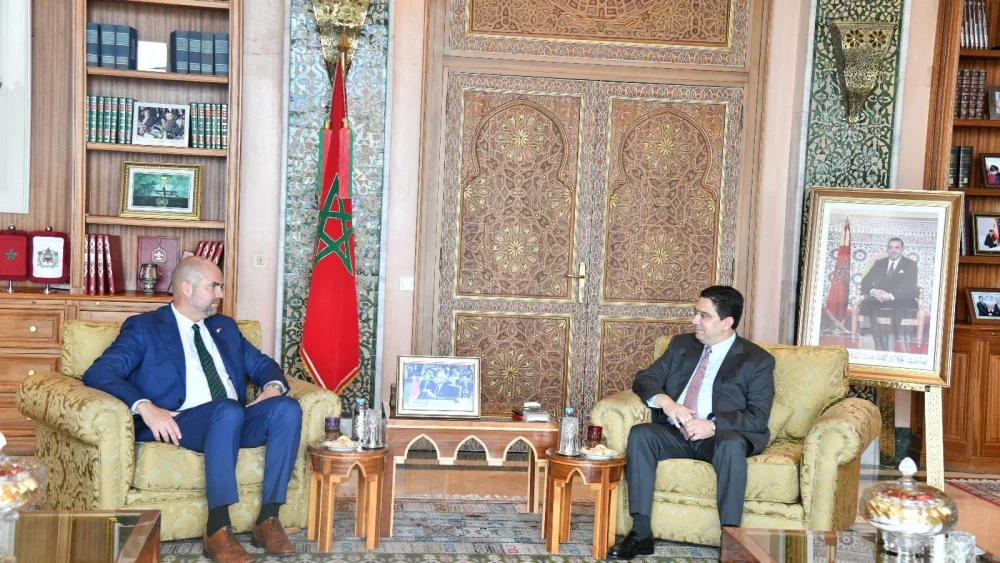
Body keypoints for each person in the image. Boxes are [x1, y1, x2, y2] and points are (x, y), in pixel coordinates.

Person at [83, 257, 301, 563]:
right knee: (227, 410)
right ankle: (217, 530)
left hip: (233, 420)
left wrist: (273, 387)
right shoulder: (145, 327)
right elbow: (100, 372)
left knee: (287, 409)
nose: (220, 294)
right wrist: (145, 407)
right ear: (186, 288)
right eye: (214, 286)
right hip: (184, 423)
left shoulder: (224, 327)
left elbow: (262, 364)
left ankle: (268, 520)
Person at [608, 286, 774, 560]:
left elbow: (758, 416)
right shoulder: (681, 345)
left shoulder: (756, 360)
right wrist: (667, 403)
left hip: (719, 437)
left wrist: (713, 425)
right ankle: (640, 533)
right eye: (695, 313)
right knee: (641, 434)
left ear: (726, 322)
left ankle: (731, 540)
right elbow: (645, 379)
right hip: (676, 432)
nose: (694, 320)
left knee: (732, 445)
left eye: (703, 316)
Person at [859, 238, 919, 352]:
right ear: (887, 249)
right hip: (880, 298)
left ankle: (893, 343)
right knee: (870, 304)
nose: (893, 250)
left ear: (902, 249)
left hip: (901, 299)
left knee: (897, 308)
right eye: (890, 247)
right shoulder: (879, 263)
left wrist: (890, 296)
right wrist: (874, 291)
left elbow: (910, 287)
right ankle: (879, 344)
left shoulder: (910, 264)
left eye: (897, 247)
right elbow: (865, 282)